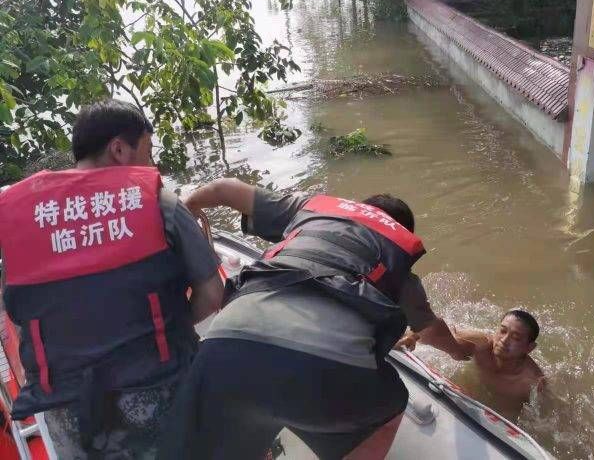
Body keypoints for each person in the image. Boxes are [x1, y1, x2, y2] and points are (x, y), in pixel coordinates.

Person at [159, 179, 475, 460]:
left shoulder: (313, 210)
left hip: (223, 342)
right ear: (401, 235)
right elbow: (432, 332)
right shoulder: (401, 272)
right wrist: (463, 351)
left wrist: (189, 209)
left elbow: (223, 189)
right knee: (392, 402)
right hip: (320, 370)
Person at [0, 99, 224, 458]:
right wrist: (171, 323)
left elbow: (19, 312)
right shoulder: (158, 201)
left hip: (69, 411)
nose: (152, 165)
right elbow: (213, 294)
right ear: (119, 149)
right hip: (158, 393)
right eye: (148, 152)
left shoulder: (19, 216)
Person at [400, 309, 545, 419]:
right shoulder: (480, 345)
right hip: (472, 392)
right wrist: (412, 336)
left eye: (516, 338)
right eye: (502, 331)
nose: (504, 340)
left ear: (529, 348)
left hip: (503, 412)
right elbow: (436, 332)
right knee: (457, 351)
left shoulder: (531, 382)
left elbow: (542, 420)